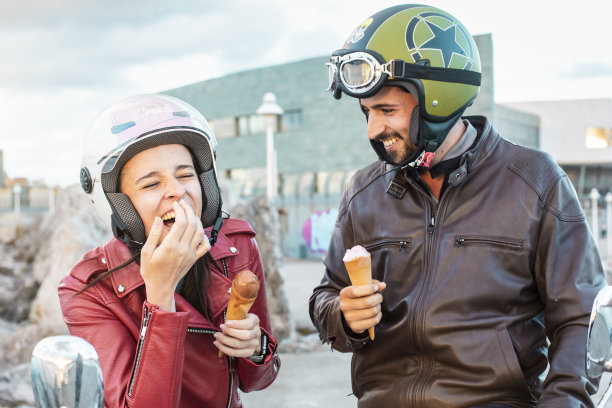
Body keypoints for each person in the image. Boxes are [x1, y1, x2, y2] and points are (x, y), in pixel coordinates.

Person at [309, 4, 607, 407]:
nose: (373, 130)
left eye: (386, 110)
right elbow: (327, 293)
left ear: (438, 99)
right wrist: (343, 317)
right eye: (366, 112)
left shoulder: (535, 182)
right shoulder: (364, 191)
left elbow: (581, 319)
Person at [58, 94, 280, 408]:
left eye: (186, 175)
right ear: (120, 205)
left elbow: (258, 380)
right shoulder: (87, 290)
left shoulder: (237, 246)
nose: (176, 190)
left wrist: (256, 348)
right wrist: (160, 295)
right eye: (151, 184)